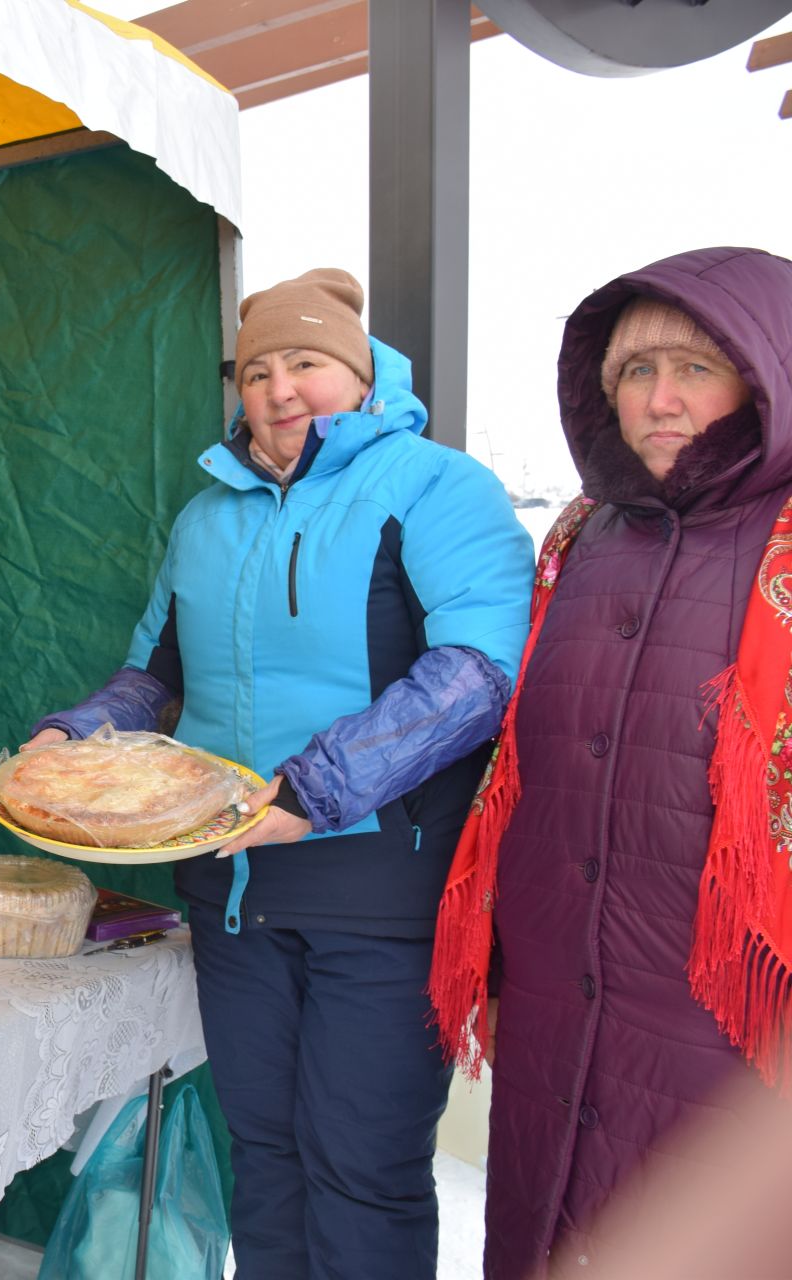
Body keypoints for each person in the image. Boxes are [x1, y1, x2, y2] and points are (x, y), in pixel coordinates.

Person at [27, 270, 533, 1280]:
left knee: (362, 1164)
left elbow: (478, 672)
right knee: (266, 1153)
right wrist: (75, 735)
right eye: (257, 368)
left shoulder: (437, 485)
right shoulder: (204, 517)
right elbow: (152, 676)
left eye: (306, 361)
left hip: (379, 892)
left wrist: (314, 791)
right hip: (232, 895)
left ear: (359, 369)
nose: (279, 386)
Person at [429, 246, 792, 1279]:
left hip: (724, 1019)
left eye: (695, 367)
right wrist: (500, 962)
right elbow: (524, 771)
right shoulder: (578, 540)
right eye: (635, 371)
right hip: (553, 994)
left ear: (768, 372)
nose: (662, 398)